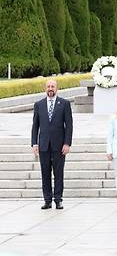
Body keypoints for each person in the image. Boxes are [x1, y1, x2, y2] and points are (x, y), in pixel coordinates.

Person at [31, 79, 73, 210]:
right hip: (43, 145)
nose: (50, 89)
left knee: (58, 173)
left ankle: (58, 199)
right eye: (48, 86)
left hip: (59, 145)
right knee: (45, 173)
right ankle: (47, 200)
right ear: (45, 88)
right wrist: (34, 143)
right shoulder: (39, 105)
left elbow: (69, 125)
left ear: (57, 88)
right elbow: (35, 126)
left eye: (53, 87)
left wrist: (67, 143)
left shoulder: (64, 104)